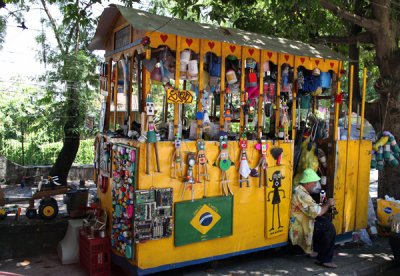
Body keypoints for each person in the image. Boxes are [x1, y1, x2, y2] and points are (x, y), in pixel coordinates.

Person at [289, 168, 337, 268]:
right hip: (299, 225)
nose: (315, 185)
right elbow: (318, 212)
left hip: (302, 219)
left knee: (324, 221)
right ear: (307, 183)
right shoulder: (302, 194)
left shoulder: (299, 190)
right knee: (329, 227)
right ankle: (325, 260)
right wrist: (328, 204)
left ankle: (312, 250)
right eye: (314, 183)